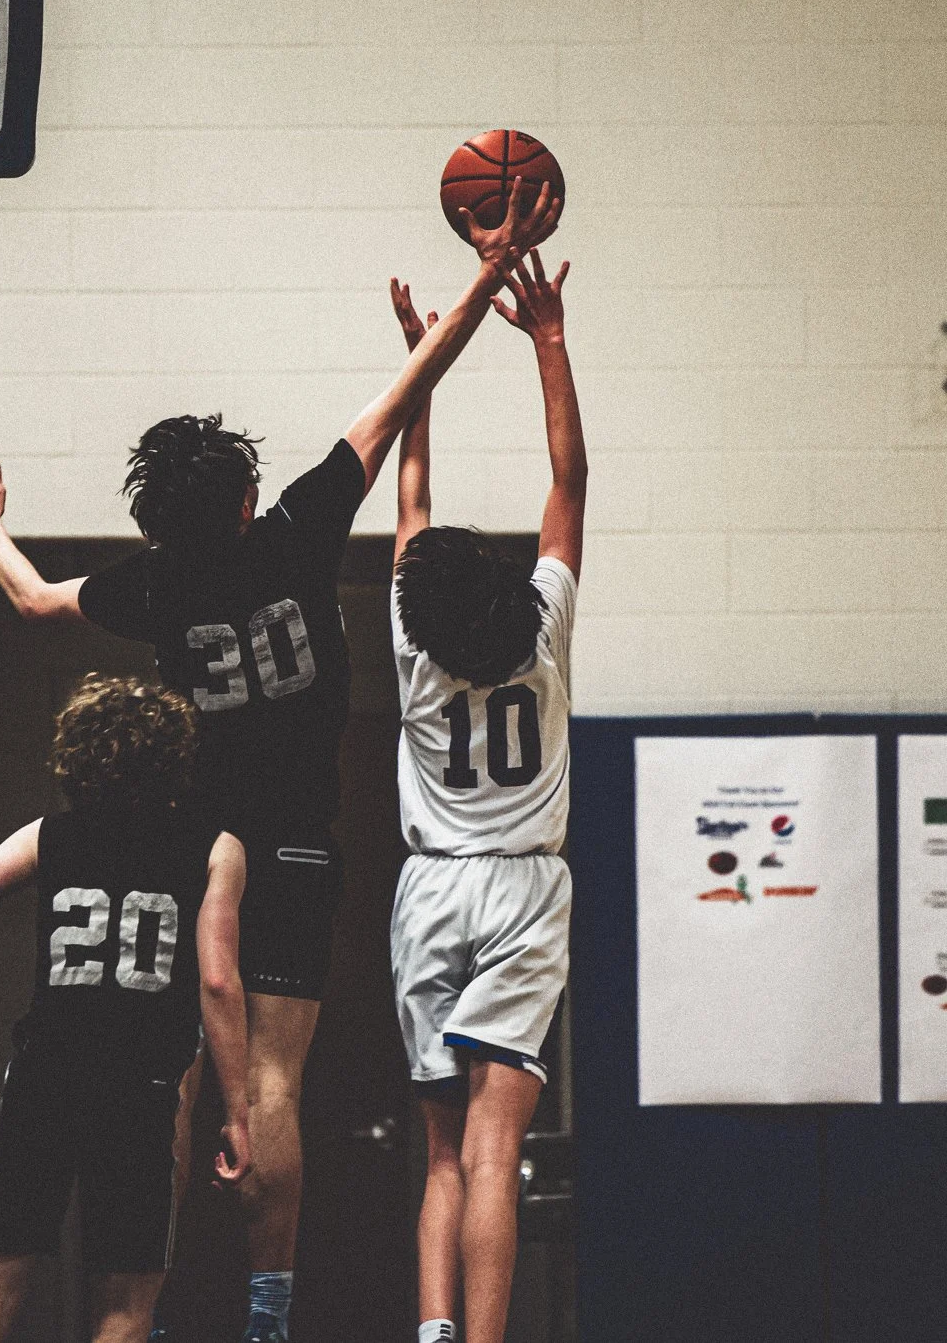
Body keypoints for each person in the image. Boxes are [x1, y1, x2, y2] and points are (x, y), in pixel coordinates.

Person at [0, 185, 558, 1343]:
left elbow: (27, 597)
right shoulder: (294, 528)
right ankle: (269, 1312)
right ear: (245, 497)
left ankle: (145, 1300)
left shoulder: (152, 583)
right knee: (272, 1081)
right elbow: (416, 384)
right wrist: (487, 267)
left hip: (202, 841)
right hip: (302, 837)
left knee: (170, 1078)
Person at [0, 676, 254, 1343]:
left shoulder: (50, 834)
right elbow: (217, 980)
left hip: (46, 1077)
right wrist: (237, 1109)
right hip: (141, 1088)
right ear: (176, 755)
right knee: (125, 1312)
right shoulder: (217, 846)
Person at [385, 252, 582, 1343]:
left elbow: (410, 499)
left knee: (443, 1153)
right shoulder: (544, 630)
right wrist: (547, 338)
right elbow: (569, 484)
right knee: (498, 1148)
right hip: (522, 890)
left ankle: (432, 1330)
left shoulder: (413, 647)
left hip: (429, 891)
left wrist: (422, 363)